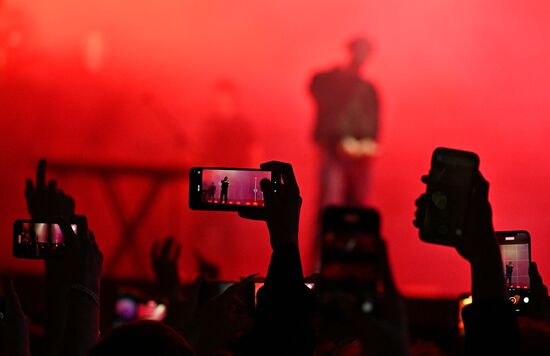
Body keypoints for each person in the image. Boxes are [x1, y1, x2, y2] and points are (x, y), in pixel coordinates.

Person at [310, 37, 379, 209]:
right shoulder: (331, 80)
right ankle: (328, 234)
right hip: (334, 148)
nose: (361, 57)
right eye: (358, 51)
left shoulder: (368, 89)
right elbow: (316, 88)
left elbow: (373, 120)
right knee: (331, 199)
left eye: (365, 52)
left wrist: (368, 142)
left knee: (357, 201)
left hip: (360, 153)